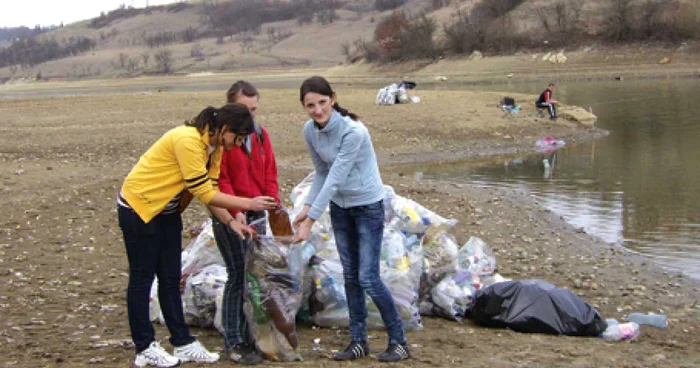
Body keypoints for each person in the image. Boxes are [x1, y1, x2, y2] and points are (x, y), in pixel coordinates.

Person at [118, 103, 277, 368]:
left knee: (170, 276)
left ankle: (182, 342)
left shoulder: (213, 148)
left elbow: (211, 190)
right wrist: (248, 204)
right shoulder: (188, 140)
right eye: (236, 138)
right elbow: (203, 191)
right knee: (142, 277)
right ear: (224, 129)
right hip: (140, 208)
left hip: (167, 210)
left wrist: (232, 218)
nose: (236, 145)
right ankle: (144, 346)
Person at [291, 76, 410, 362]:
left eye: (322, 102)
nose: (317, 110)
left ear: (332, 99)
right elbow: (321, 173)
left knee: (368, 276)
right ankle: (358, 342)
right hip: (341, 208)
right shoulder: (310, 130)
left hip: (367, 206)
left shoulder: (353, 131)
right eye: (311, 105)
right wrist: (306, 207)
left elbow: (335, 178)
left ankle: (399, 341)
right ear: (304, 107)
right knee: (350, 276)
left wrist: (309, 223)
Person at [210, 80, 279, 365]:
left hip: (258, 212)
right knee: (237, 275)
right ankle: (234, 341)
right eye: (244, 110)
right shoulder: (224, 141)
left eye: (254, 110)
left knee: (256, 276)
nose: (250, 116)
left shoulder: (260, 136)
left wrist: (272, 202)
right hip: (231, 213)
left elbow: (270, 171)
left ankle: (253, 334)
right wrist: (236, 207)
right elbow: (220, 178)